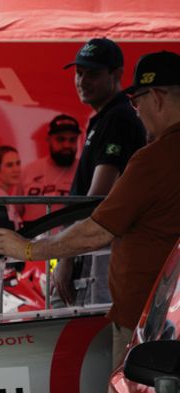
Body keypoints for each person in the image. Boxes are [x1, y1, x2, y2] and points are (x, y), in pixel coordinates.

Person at [0, 51, 180, 368]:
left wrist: (28, 249)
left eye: (138, 101)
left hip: (149, 320)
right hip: (165, 315)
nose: (137, 111)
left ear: (157, 97)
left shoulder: (155, 158)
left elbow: (98, 230)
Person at [56, 38, 146, 305]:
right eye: (79, 73)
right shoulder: (108, 116)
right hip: (97, 249)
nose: (82, 81)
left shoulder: (117, 117)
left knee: (96, 338)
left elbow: (97, 197)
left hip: (102, 254)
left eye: (93, 73)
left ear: (117, 74)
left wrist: (65, 255)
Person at [21, 115, 82, 221]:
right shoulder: (29, 170)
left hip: (70, 236)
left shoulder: (84, 170)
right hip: (30, 236)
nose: (67, 145)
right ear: (49, 139)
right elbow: (15, 211)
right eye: (60, 139)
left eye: (72, 140)